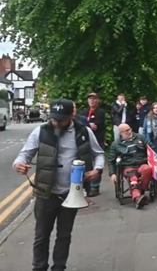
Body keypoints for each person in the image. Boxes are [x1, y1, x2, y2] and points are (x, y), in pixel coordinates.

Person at [13, 99, 105, 271]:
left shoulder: (83, 131)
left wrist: (98, 170)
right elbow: (24, 154)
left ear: (72, 115)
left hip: (71, 192)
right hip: (45, 192)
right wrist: (19, 164)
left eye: (60, 119)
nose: (55, 122)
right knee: (41, 235)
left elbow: (98, 153)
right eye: (53, 118)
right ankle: (39, 268)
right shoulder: (41, 131)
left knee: (64, 235)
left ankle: (59, 267)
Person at [108, 123, 154, 209]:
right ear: (120, 133)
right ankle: (137, 198)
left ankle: (140, 190)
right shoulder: (116, 144)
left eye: (129, 129)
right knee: (133, 179)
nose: (128, 132)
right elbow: (111, 160)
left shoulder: (140, 138)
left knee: (148, 169)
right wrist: (112, 173)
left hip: (142, 163)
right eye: (125, 131)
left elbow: (151, 148)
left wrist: (155, 160)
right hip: (128, 166)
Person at [81, 92, 107, 197]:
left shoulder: (100, 112)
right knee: (87, 163)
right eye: (90, 99)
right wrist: (88, 124)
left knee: (97, 163)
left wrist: (86, 123)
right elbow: (80, 123)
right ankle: (87, 185)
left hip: (98, 140)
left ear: (98, 100)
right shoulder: (84, 111)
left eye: (94, 99)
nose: (92, 100)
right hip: (86, 141)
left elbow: (96, 125)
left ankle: (95, 186)